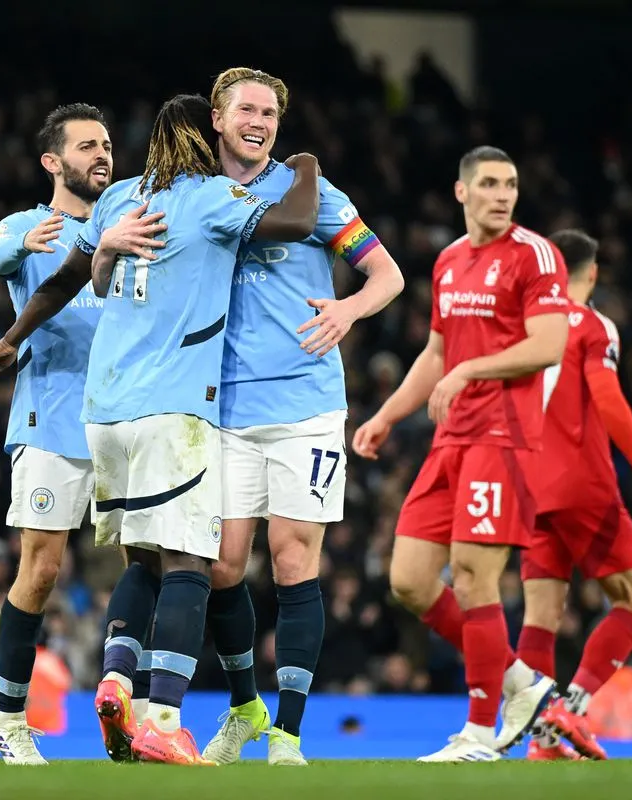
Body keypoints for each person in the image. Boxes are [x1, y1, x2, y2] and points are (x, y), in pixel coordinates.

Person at [0, 93, 321, 765]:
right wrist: (303, 165)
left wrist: (12, 335)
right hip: (168, 409)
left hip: (105, 414)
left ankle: (115, 681)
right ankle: (161, 715)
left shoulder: (119, 199)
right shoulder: (213, 196)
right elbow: (298, 221)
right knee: (189, 560)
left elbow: (71, 277)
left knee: (143, 558)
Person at [197, 66, 404, 767]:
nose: (259, 121)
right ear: (218, 119)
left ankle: (287, 733)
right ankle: (244, 707)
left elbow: (389, 274)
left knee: (293, 563)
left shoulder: (311, 193)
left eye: (270, 113)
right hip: (221, 406)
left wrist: (348, 308)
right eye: (246, 109)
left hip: (305, 407)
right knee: (223, 567)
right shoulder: (197, 195)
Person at [352, 146, 569, 762]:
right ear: (462, 192)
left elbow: (549, 344)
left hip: (503, 438)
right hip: (451, 438)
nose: (503, 195)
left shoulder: (534, 255)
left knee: (474, 577)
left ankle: (478, 733)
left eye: (512, 185)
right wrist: (386, 416)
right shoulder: (449, 262)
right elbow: (436, 354)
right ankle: (521, 684)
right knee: (411, 581)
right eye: (492, 184)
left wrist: (470, 369)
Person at [0, 103, 166, 765]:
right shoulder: (28, 227)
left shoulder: (129, 223)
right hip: (51, 419)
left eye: (108, 144)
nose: (103, 155)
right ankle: (9, 719)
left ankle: (136, 713)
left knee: (144, 560)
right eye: (88, 145)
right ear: (52, 161)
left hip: (122, 422)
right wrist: (20, 248)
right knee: (43, 568)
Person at [507, 229, 632, 761]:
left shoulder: (524, 328)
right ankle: (569, 710)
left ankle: (546, 743)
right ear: (592, 273)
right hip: (583, 483)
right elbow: (605, 394)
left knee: (540, 617)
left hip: (529, 487)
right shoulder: (593, 325)